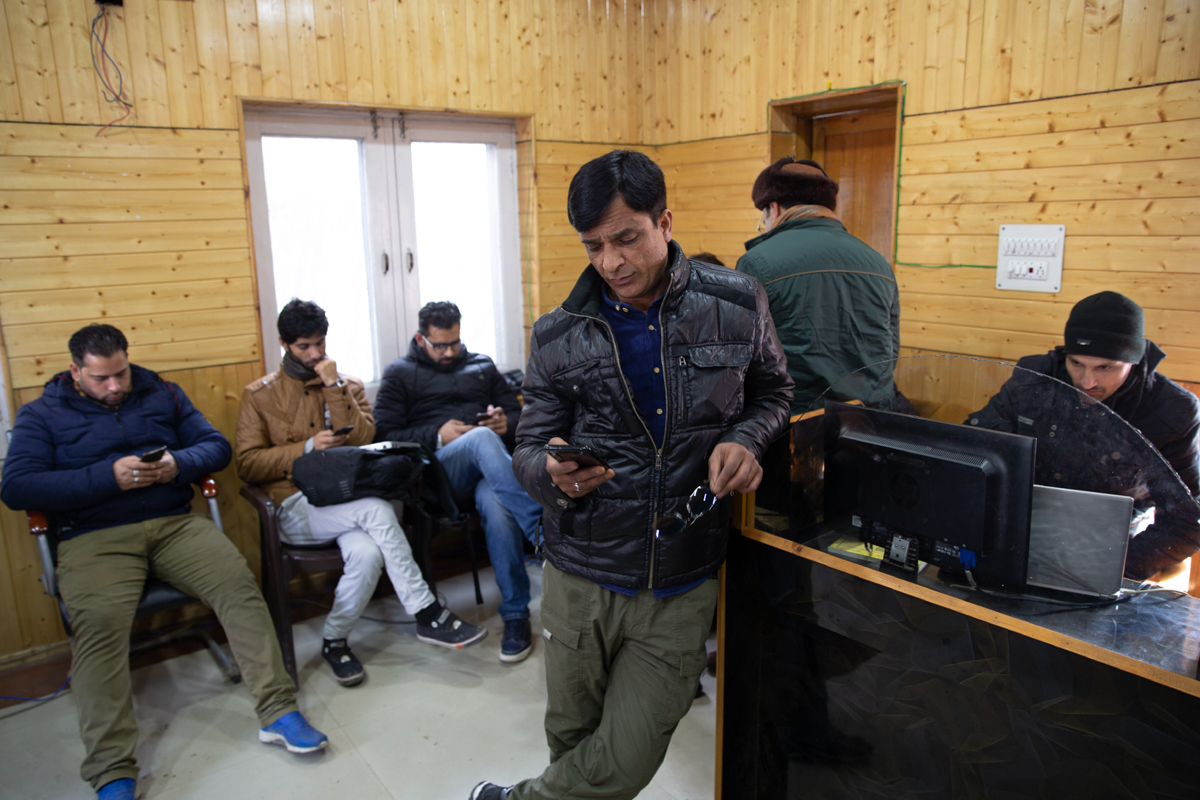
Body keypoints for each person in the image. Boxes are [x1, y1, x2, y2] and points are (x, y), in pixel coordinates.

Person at [470, 150, 793, 800]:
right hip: (579, 578)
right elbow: (529, 446)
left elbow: (774, 391)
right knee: (573, 744)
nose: (612, 262)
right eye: (594, 246)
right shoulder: (558, 335)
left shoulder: (736, 302)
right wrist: (550, 472)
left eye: (627, 238)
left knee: (627, 756)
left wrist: (746, 437)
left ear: (664, 221)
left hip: (678, 582)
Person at [0, 324, 327, 800]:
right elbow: (17, 487)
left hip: (174, 524)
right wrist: (106, 477)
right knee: (98, 625)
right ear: (76, 372)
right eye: (101, 379)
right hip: (95, 536)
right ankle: (112, 768)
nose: (115, 387)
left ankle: (277, 712)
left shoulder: (162, 394)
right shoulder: (42, 414)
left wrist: (178, 464)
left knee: (238, 584)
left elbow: (214, 447)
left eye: (121, 374)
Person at [235, 300, 485, 688]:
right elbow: (248, 465)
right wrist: (305, 448)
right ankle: (427, 612)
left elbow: (369, 437)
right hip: (295, 506)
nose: (315, 354)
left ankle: (334, 640)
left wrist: (333, 388)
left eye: (320, 343)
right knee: (375, 509)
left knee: (367, 554)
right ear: (285, 344)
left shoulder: (346, 385)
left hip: (346, 499)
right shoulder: (260, 395)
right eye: (304, 347)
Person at [967, 292, 1200, 580]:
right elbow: (975, 443)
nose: (1087, 382)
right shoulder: (1035, 378)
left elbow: (1189, 517)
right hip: (1021, 525)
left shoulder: (1172, 410)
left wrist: (1115, 568)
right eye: (1076, 364)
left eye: (1105, 368)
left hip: (1111, 543)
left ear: (1134, 360)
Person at [373, 301, 544, 663]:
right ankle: (543, 533)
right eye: (440, 345)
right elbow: (385, 435)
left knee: (498, 506)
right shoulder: (398, 374)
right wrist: (437, 435)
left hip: (488, 475)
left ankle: (515, 615)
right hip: (437, 476)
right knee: (481, 441)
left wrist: (507, 423)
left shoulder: (481, 365)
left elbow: (517, 411)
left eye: (455, 343)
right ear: (421, 339)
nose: (450, 352)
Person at [736, 157, 899, 416]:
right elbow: (891, 352)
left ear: (773, 208)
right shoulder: (879, 264)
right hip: (869, 425)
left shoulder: (757, 262)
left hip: (795, 429)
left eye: (763, 218)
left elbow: (742, 360)